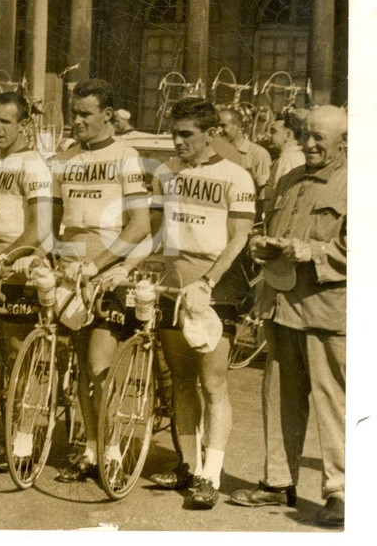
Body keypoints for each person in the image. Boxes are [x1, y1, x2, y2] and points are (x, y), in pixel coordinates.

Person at [228, 106, 347, 528]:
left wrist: (312, 252)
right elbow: (274, 227)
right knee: (279, 399)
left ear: (342, 143)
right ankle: (278, 481)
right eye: (305, 135)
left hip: (327, 312)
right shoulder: (290, 179)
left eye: (319, 137)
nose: (310, 144)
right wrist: (262, 245)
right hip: (281, 306)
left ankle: (341, 492)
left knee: (335, 404)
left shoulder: (356, 183)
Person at [146, 98, 255, 509]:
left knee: (213, 384)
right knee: (180, 381)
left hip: (216, 291)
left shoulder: (236, 176)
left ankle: (212, 474)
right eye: (174, 133)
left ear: (211, 134)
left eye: (187, 134)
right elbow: (155, 231)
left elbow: (239, 238)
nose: (177, 142)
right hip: (173, 287)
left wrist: (209, 281)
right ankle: (188, 466)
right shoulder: (167, 173)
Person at [49, 79, 150, 483]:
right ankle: (90, 447)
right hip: (71, 272)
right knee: (78, 365)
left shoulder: (127, 156)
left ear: (108, 116)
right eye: (74, 113)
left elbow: (140, 224)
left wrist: (102, 266)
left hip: (108, 272)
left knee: (98, 365)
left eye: (85, 114)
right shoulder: (64, 158)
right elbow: (53, 221)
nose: (77, 121)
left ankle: (112, 448)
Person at [0, 91, 51, 470]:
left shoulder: (32, 166)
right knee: (1, 358)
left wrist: (6, 259)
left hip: (18, 269)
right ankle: (7, 436)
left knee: (21, 355)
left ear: (24, 126)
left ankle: (23, 443)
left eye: (6, 122)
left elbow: (39, 228)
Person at [218, 108, 271, 196]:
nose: (218, 130)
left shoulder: (258, 154)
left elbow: (263, 193)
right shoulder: (218, 152)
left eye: (223, 126)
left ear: (238, 126)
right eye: (217, 126)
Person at [262, 109, 306, 206]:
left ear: (288, 134)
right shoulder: (292, 157)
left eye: (273, 131)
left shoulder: (288, 159)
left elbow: (282, 198)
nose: (268, 135)